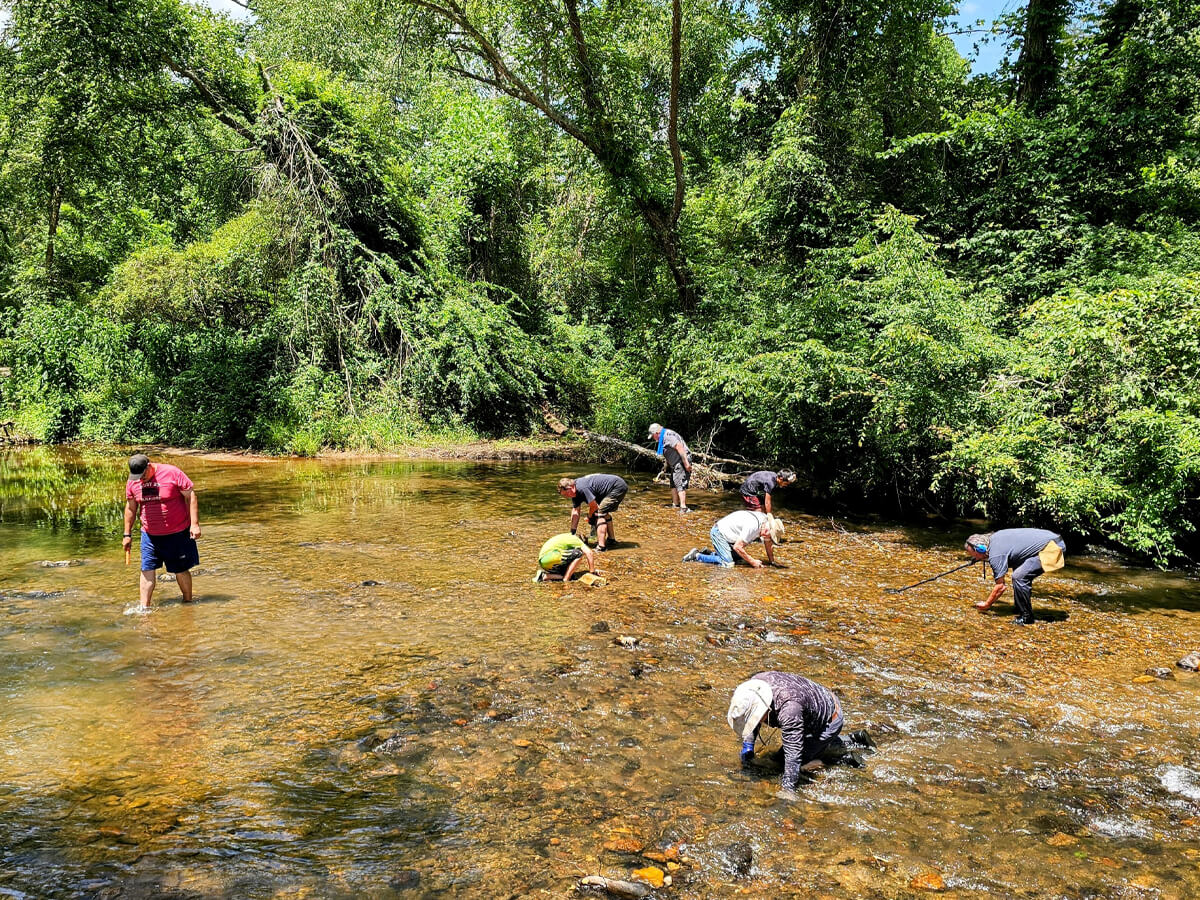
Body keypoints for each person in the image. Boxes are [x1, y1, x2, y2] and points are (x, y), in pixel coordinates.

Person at [727, 672, 874, 800]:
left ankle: (844, 759)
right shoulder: (756, 685)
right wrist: (748, 745)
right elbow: (751, 718)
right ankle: (855, 739)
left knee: (782, 763)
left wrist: (788, 790)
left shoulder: (789, 709)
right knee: (779, 757)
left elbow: (793, 753)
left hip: (829, 720)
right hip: (816, 705)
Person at [122, 453, 201, 610]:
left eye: (143, 475)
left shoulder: (172, 472)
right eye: (137, 476)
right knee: (146, 569)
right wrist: (127, 534)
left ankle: (188, 604)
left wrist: (195, 524)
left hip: (177, 532)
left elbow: (191, 495)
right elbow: (131, 508)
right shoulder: (133, 482)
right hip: (149, 535)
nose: (140, 479)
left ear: (149, 466)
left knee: (180, 569)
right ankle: (144, 609)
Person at [965, 528, 1066, 625]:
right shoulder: (994, 538)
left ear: (981, 549)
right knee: (1019, 570)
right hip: (1053, 540)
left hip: (1053, 548)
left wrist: (987, 604)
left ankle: (1027, 617)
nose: (975, 558)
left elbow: (1000, 586)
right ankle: (1019, 607)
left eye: (975, 555)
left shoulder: (995, 554)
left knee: (1019, 577)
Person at [683, 510, 784, 569]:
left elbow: (768, 544)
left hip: (730, 536)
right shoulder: (753, 527)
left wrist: (772, 562)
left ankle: (710, 554)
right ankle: (697, 556)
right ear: (767, 531)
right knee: (728, 564)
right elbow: (737, 547)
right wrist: (753, 562)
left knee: (739, 559)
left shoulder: (765, 522)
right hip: (719, 533)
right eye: (771, 537)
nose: (769, 540)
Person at [557, 474, 628, 551]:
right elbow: (575, 512)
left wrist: (590, 516)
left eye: (566, 494)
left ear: (570, 487)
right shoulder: (574, 492)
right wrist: (572, 533)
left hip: (617, 487)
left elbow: (594, 506)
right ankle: (611, 540)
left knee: (599, 514)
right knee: (602, 512)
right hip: (607, 490)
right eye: (565, 496)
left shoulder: (582, 488)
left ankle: (601, 547)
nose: (567, 497)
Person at [647, 423, 692, 512]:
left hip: (681, 461)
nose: (653, 438)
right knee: (673, 482)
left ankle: (683, 508)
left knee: (679, 482)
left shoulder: (667, 436)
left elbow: (679, 447)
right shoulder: (663, 437)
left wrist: (686, 463)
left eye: (653, 436)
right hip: (674, 463)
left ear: (657, 433)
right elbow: (669, 452)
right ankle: (675, 505)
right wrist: (666, 466)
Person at [533, 532, 598, 583]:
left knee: (572, 575)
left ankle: (544, 576)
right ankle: (566, 579)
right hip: (550, 557)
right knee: (578, 554)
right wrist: (592, 572)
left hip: (544, 562)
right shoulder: (576, 540)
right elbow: (589, 553)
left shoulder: (568, 537)